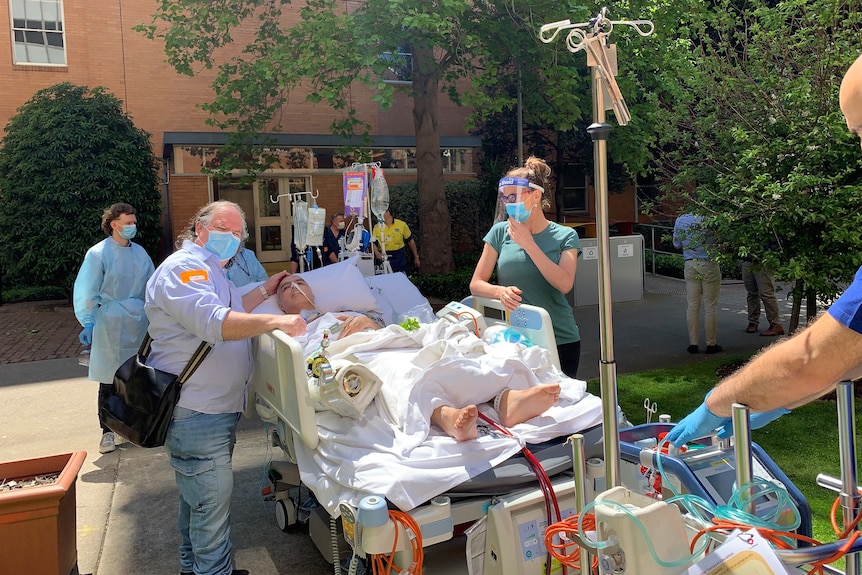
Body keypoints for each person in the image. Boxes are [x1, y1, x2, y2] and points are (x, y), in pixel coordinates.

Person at [666, 53, 862, 448]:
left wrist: (715, 404)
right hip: (719, 267)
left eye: (860, 133)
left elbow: (811, 361)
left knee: (709, 305)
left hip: (699, 268)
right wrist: (779, 400)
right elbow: (848, 360)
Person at [145, 200, 306, 575]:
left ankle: (193, 568)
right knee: (210, 507)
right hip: (197, 413)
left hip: (212, 410)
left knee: (197, 501)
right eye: (223, 228)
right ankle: (213, 571)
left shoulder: (211, 271)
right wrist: (276, 323)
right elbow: (214, 322)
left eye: (238, 234)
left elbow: (236, 303)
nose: (231, 238)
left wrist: (268, 288)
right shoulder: (183, 269)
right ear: (199, 228)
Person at [273, 273, 562, 440]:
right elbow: (309, 362)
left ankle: (505, 398)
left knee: (444, 355)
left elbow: (391, 329)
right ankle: (445, 416)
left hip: (388, 340)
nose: (294, 287)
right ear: (281, 305)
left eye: (299, 282)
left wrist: (369, 325)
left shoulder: (347, 309)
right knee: (399, 371)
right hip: (358, 356)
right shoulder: (291, 331)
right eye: (286, 288)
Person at [469, 156, 583, 378]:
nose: (509, 203)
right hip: (515, 339)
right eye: (505, 198)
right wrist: (499, 291)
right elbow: (476, 284)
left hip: (559, 339)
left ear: (536, 196)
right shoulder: (500, 232)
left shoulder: (565, 236)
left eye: (514, 197)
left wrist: (529, 245)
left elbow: (565, 283)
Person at [73, 203, 155, 455]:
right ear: (114, 225)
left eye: (134, 221)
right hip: (110, 321)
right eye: (127, 222)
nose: (132, 226)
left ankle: (131, 426)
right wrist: (88, 320)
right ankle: (107, 431)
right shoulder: (98, 254)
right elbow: (87, 287)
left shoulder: (140, 253)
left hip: (138, 320)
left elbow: (152, 286)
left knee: (136, 377)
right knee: (109, 378)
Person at [673, 212, 722, 354]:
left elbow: (677, 244)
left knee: (692, 305)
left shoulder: (681, 219)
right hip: (709, 263)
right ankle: (711, 343)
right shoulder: (712, 219)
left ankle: (693, 343)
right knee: (710, 306)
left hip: (690, 263)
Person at [741, 258, 785, 336]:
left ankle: (775, 324)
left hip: (764, 260)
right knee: (752, 293)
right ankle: (752, 322)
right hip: (748, 259)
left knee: (766, 293)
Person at [372, 208, 420, 274]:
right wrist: (377, 252)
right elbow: (373, 243)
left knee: (401, 280)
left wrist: (416, 257)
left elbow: (410, 241)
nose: (379, 216)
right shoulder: (377, 227)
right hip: (384, 257)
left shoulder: (401, 225)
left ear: (388, 212)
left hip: (399, 258)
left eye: (381, 214)